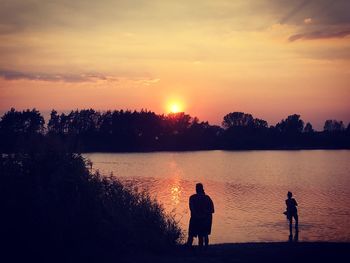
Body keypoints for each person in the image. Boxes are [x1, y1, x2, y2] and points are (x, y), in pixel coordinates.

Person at [187, 183, 214, 248]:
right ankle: (205, 249)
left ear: (196, 189)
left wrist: (197, 216)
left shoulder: (192, 198)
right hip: (204, 220)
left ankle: (188, 248)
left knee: (191, 235)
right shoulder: (207, 198)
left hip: (195, 220)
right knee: (204, 235)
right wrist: (204, 215)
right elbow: (212, 210)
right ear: (202, 189)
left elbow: (192, 209)